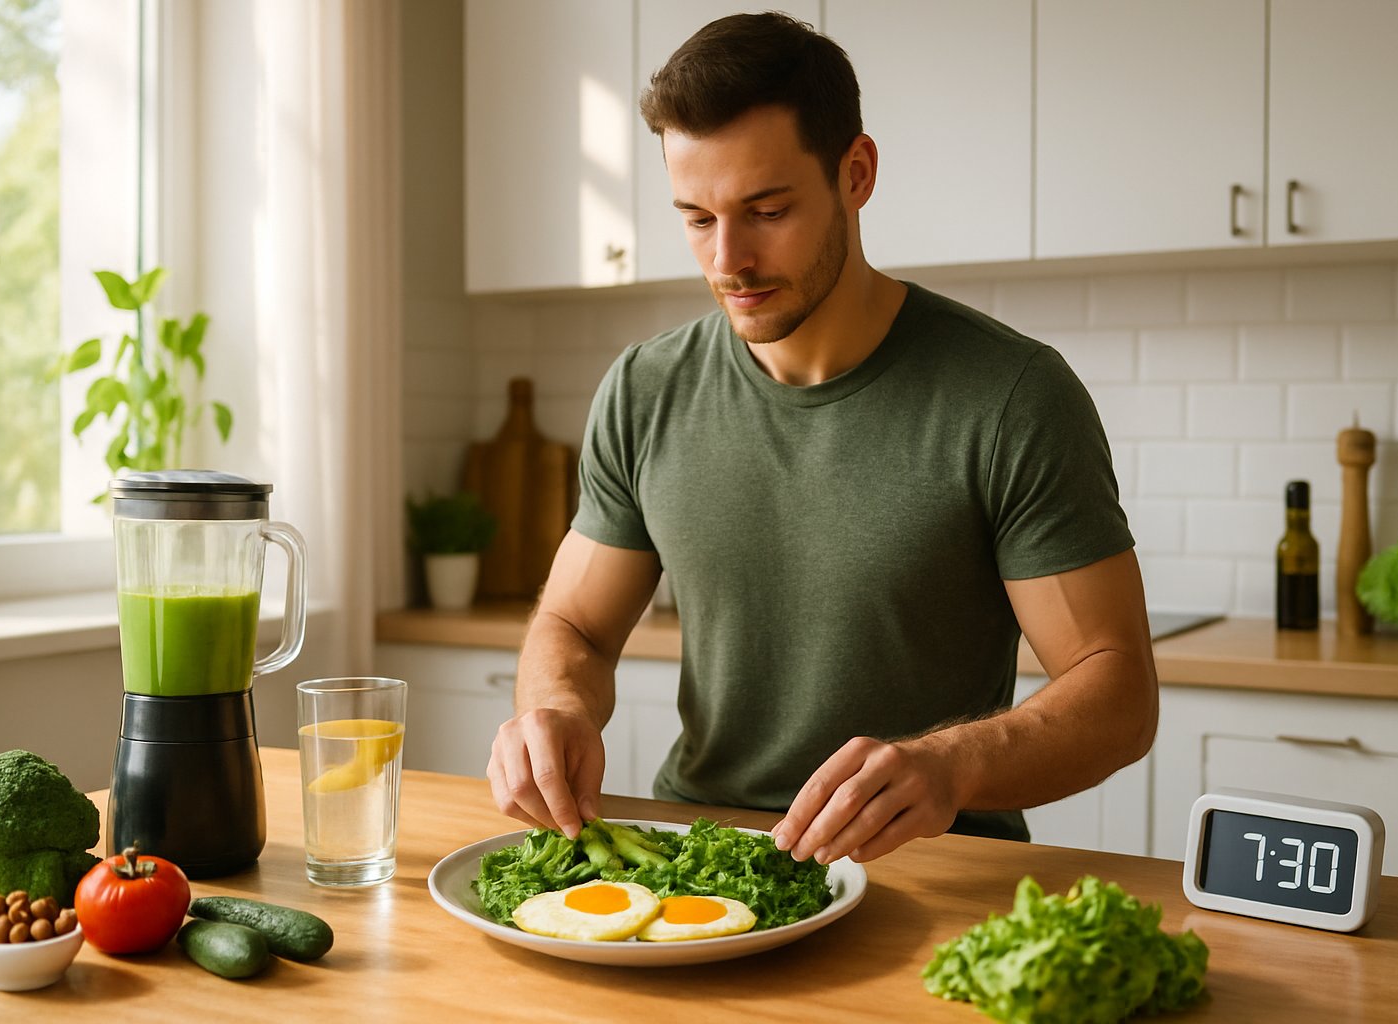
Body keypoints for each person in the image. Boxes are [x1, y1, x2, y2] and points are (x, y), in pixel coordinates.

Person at [486, 12, 1158, 865]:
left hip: (930, 869)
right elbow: (576, 626)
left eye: (766, 211)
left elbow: (1117, 692)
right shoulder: (646, 390)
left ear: (856, 173)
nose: (729, 259)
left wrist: (951, 764)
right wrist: (556, 708)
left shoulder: (1010, 396)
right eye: (696, 218)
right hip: (698, 862)